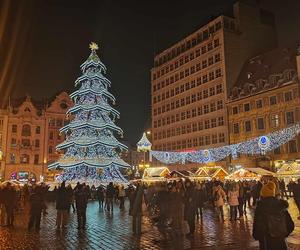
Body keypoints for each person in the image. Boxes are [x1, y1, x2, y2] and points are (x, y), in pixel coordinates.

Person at [253, 181, 294, 250]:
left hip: (266, 242)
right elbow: (290, 225)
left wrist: (258, 236)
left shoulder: (261, 207)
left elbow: (257, 227)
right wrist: (282, 234)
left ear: (263, 194)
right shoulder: (281, 206)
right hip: (281, 242)